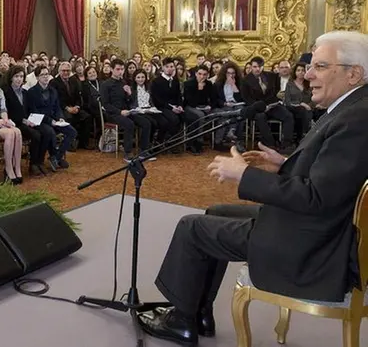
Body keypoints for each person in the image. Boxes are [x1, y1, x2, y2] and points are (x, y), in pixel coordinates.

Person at [137, 31, 368, 346]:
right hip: (316, 227)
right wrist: (285, 163)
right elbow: (330, 178)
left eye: (321, 67)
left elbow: (316, 198)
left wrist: (244, 175)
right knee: (215, 212)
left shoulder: (356, 120)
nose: (309, 74)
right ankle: (197, 310)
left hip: (311, 244)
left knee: (192, 227)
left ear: (353, 73)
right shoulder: (353, 108)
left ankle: (181, 322)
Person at [4, 65, 54, 176]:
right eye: (16, 76)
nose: (19, 79)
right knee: (36, 135)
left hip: (29, 121)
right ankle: (33, 164)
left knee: (47, 131)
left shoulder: (25, 92)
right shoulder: (6, 93)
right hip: (15, 123)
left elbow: (30, 109)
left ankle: (39, 161)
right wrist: (24, 121)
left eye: (21, 76)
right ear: (11, 77)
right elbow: (8, 112)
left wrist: (32, 119)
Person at [26, 65, 76, 171]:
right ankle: (43, 160)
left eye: (47, 74)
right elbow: (35, 111)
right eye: (42, 75)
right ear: (37, 77)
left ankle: (56, 156)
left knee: (72, 132)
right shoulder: (31, 92)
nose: (45, 77)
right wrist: (50, 121)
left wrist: (60, 118)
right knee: (50, 132)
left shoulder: (53, 90)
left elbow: (57, 107)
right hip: (40, 120)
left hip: (54, 119)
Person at [100, 59, 153, 161]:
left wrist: (129, 94)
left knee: (146, 123)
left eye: (122, 69)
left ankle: (143, 150)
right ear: (112, 69)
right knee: (129, 124)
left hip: (127, 111)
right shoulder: (105, 84)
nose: (120, 71)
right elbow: (106, 104)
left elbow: (129, 101)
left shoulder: (123, 82)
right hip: (113, 113)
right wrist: (119, 112)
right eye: (118, 69)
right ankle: (128, 152)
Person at [241, 56, 295, 151]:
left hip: (272, 105)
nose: (257, 69)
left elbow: (276, 92)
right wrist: (261, 106)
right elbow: (247, 99)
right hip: (257, 107)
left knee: (288, 116)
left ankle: (286, 144)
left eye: (260, 66)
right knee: (260, 117)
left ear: (263, 66)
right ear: (251, 67)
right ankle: (270, 144)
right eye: (255, 67)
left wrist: (270, 104)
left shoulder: (272, 76)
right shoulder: (245, 80)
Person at [50, 62, 92, 150]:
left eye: (68, 71)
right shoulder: (54, 82)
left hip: (74, 107)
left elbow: (78, 96)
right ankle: (70, 144)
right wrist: (67, 108)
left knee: (87, 117)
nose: (66, 73)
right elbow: (56, 100)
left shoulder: (73, 80)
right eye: (64, 71)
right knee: (69, 118)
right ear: (59, 71)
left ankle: (83, 143)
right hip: (61, 108)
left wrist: (77, 106)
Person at [182, 65, 218, 154]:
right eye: (200, 74)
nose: (202, 77)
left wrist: (210, 106)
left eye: (204, 75)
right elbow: (190, 102)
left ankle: (217, 141)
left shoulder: (209, 84)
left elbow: (214, 99)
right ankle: (197, 142)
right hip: (190, 107)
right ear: (196, 74)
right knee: (200, 115)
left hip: (204, 107)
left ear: (207, 75)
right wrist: (199, 89)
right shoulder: (188, 84)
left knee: (217, 113)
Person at [150, 58, 184, 147]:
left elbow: (178, 95)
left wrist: (180, 105)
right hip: (162, 106)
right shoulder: (156, 81)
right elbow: (157, 99)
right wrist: (171, 108)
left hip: (174, 106)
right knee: (173, 119)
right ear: (163, 68)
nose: (170, 68)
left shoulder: (175, 81)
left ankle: (178, 141)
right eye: (167, 67)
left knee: (185, 116)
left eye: (172, 66)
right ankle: (166, 142)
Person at [213, 62, 246, 151]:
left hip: (237, 105)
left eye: (233, 73)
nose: (231, 75)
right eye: (228, 73)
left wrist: (233, 85)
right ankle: (220, 141)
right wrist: (224, 103)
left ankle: (233, 134)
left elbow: (240, 99)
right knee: (228, 113)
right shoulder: (218, 84)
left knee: (240, 112)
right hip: (225, 105)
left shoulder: (240, 83)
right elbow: (216, 99)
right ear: (224, 73)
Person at [283, 62, 313, 143]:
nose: (300, 72)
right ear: (295, 72)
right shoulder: (290, 84)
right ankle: (302, 137)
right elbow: (287, 101)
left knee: (306, 112)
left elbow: (313, 99)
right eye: (298, 70)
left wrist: (308, 105)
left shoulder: (310, 84)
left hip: (308, 108)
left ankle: (303, 138)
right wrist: (301, 104)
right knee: (302, 111)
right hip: (293, 108)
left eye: (303, 70)